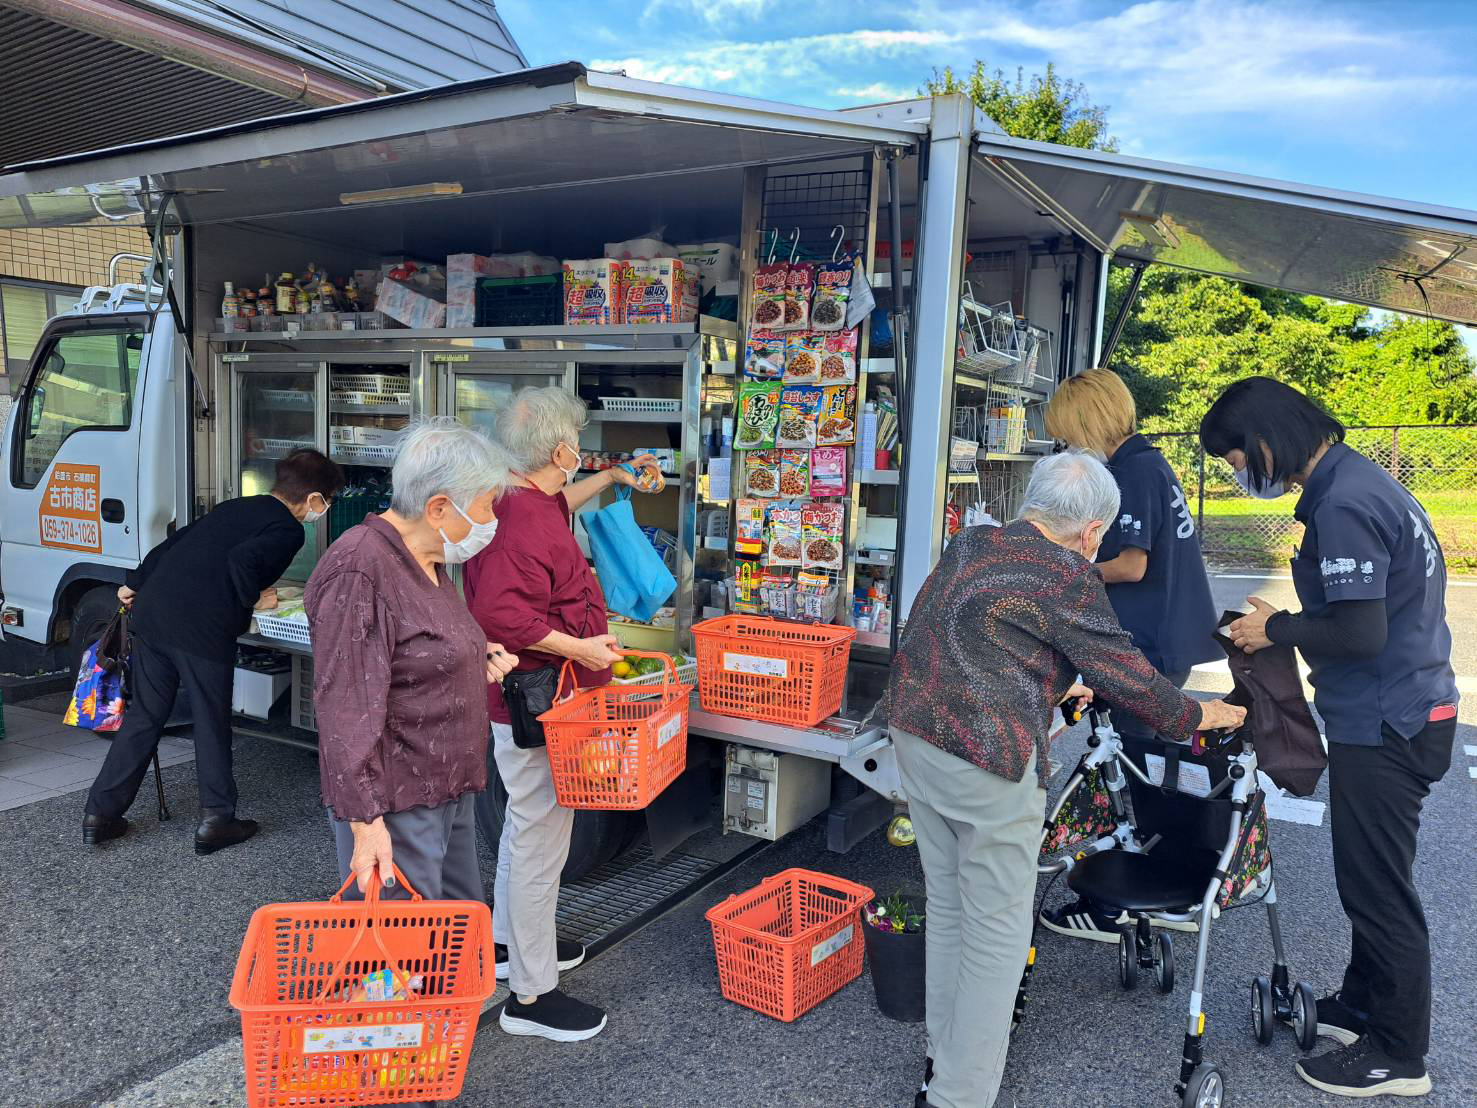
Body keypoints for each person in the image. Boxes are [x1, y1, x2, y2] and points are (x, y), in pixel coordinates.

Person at [881, 450, 1245, 1108]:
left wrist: (1049, 681)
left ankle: (942, 1059)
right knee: (995, 929)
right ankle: (957, 1097)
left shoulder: (972, 543)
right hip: (985, 755)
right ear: (1092, 531)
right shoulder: (1066, 572)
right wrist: (1200, 713)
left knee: (951, 906)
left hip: (915, 731)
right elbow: (1128, 676)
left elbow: (975, 633)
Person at [1202, 377, 1457, 1100]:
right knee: (1366, 878)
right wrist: (1284, 623)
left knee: (1378, 890)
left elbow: (1358, 632)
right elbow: (1363, 610)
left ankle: (1399, 1055)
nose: (1238, 475)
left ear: (1264, 441)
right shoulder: (1358, 480)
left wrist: (1274, 629)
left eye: (1234, 461)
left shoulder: (1342, 502)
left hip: (1385, 722)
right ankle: (1363, 1005)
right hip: (1403, 709)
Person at [463, 385, 657, 1044]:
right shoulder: (516, 522)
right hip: (536, 702)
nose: (580, 449)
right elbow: (499, 614)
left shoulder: (524, 496)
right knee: (540, 840)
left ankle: (507, 943)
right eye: (576, 442)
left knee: (529, 831)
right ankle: (530, 994)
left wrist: (609, 478)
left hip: (544, 696)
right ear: (560, 450)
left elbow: (557, 506)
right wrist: (581, 647)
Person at [83, 448, 344, 854]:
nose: (323, 510)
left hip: (154, 615)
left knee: (146, 715)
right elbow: (242, 561)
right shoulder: (289, 530)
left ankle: (100, 814)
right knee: (210, 720)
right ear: (313, 498)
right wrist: (255, 598)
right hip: (201, 629)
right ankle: (216, 820)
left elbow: (172, 545)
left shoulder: (237, 506)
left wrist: (134, 582)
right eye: (326, 501)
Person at [305, 419, 518, 909]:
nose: (491, 520)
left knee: (454, 929)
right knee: (406, 942)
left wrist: (471, 654)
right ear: (438, 507)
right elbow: (344, 708)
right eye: (485, 505)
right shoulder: (359, 567)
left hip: (446, 784)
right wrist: (365, 824)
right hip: (397, 797)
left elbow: (412, 647)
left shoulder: (427, 558)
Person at [1040, 368, 1221, 943]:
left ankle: (1125, 903)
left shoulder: (1135, 471)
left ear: (1088, 420)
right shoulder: (1150, 463)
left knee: (1133, 772)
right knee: (1151, 770)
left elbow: (1131, 565)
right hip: (1166, 638)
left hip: (1150, 644)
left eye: (1069, 432)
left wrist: (1062, 569)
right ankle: (1166, 886)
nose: (1070, 445)